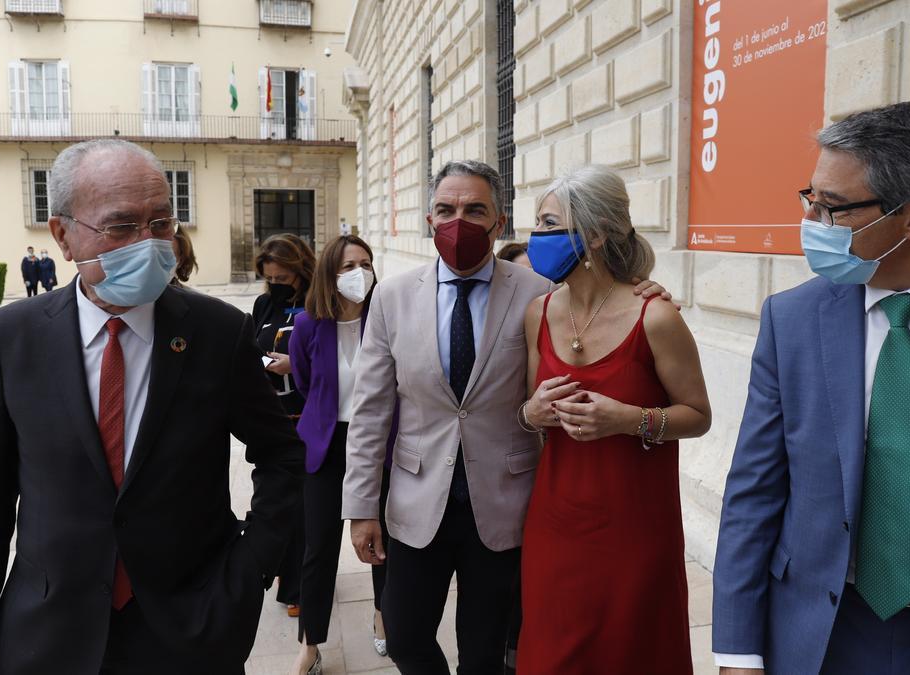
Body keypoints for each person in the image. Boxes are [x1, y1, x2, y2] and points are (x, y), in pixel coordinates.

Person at [0, 139, 304, 674]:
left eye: (161, 223)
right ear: (63, 235)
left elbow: (282, 456)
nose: (148, 242)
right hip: (50, 631)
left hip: (191, 625)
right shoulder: (12, 336)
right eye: (121, 226)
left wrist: (249, 567)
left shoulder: (218, 332)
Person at [713, 100, 910, 675]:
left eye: (833, 208)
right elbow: (754, 493)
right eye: (808, 199)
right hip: (824, 636)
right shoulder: (790, 319)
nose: (811, 224)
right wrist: (738, 651)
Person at [342, 160, 671, 674]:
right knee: (404, 638)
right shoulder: (391, 297)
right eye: (446, 210)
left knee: (486, 652)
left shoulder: (540, 291)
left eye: (476, 210)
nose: (459, 222)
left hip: (506, 503)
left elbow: (602, 306)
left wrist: (644, 287)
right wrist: (361, 506)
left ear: (499, 223)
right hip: (415, 498)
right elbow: (370, 411)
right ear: (429, 219)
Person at [516, 166, 711, 672]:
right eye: (538, 223)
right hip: (556, 522)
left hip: (636, 527)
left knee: (631, 652)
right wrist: (530, 412)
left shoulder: (656, 316)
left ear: (597, 234)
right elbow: (531, 409)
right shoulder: (538, 312)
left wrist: (631, 420)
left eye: (551, 223)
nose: (537, 237)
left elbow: (698, 416)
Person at [287, 234, 395, 675]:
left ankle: (383, 617)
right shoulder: (309, 323)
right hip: (328, 447)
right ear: (330, 274)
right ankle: (311, 644)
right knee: (319, 548)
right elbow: (303, 381)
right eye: (349, 266)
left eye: (366, 264)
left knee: (383, 542)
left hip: (380, 445)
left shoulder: (386, 318)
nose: (359, 274)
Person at [252, 233, 313, 616]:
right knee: (272, 503)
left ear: (300, 272)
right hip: (269, 421)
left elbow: (337, 364)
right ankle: (276, 568)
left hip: (308, 421)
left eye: (282, 280)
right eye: (269, 279)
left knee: (305, 508)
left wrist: (296, 365)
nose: (274, 286)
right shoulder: (262, 305)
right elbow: (250, 346)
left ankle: (299, 587)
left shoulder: (319, 305)